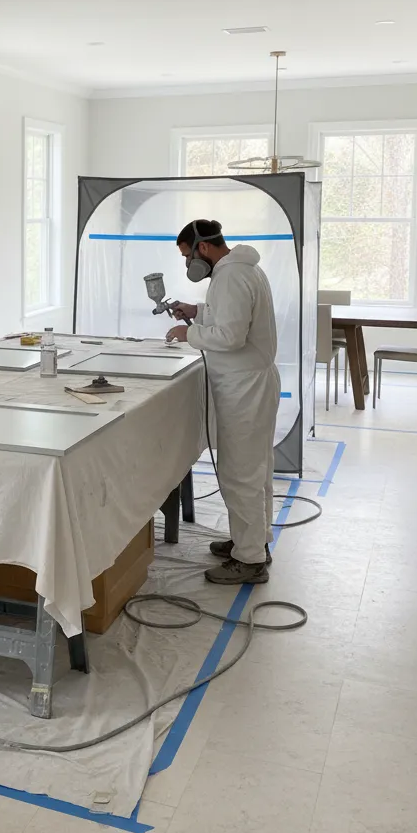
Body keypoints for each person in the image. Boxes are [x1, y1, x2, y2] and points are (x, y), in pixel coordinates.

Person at [165, 219, 280, 585]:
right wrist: (196, 311)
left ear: (202, 248)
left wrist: (189, 333)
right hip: (253, 381)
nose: (189, 266)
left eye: (187, 256)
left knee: (241, 472)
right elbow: (231, 315)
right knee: (256, 469)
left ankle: (248, 561)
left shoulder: (230, 276)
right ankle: (254, 542)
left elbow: (231, 336)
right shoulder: (240, 269)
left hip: (244, 387)